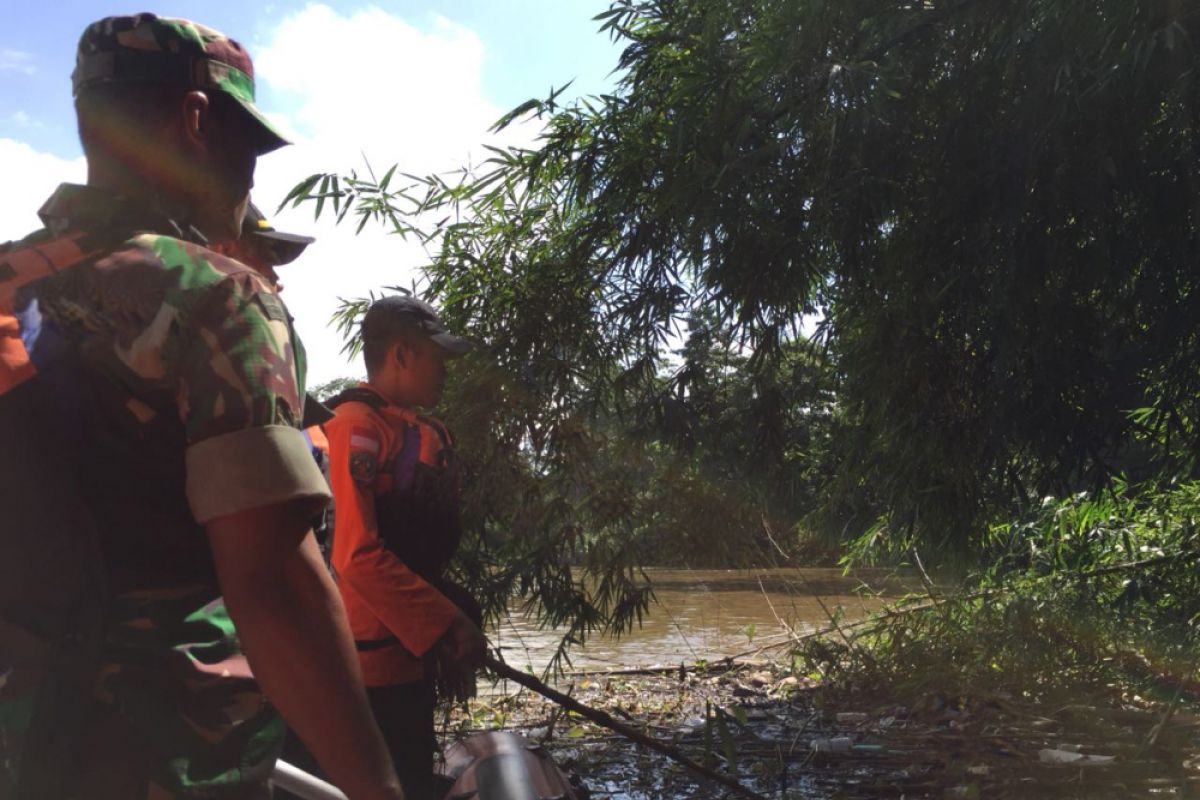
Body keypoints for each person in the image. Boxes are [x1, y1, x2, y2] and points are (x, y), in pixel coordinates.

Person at [0, 14, 400, 800]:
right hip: (164, 756)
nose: (249, 178)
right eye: (245, 146)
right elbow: (274, 585)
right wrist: (378, 788)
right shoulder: (214, 296)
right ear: (193, 120)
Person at [325, 295, 488, 799]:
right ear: (400, 355)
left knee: (413, 771)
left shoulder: (417, 429)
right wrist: (444, 620)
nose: (444, 370)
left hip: (411, 653)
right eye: (435, 357)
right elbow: (354, 554)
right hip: (369, 666)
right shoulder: (357, 427)